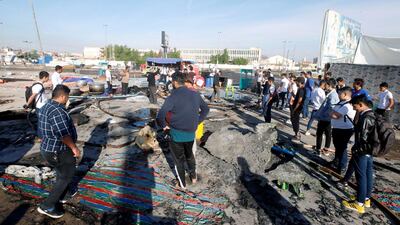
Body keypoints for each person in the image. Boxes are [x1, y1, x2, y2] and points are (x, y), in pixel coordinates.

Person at [156, 72, 209, 189]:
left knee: (178, 160)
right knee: (189, 156)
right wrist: (197, 121)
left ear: (175, 82)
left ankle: (182, 184)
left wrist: (164, 125)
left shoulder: (173, 96)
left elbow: (160, 115)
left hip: (176, 134)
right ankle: (193, 178)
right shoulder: (195, 94)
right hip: (190, 133)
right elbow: (205, 109)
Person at [37, 85, 80, 218]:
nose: (67, 100)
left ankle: (64, 194)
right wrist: (74, 148)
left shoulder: (46, 106)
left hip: (48, 148)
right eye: (67, 97)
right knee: (66, 175)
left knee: (62, 173)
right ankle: (47, 206)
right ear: (62, 96)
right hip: (58, 150)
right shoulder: (57, 111)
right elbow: (64, 135)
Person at [342, 95, 375, 214]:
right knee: (367, 174)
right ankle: (366, 199)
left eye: (355, 106)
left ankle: (359, 204)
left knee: (361, 176)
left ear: (361, 104)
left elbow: (363, 137)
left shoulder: (366, 117)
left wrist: (355, 149)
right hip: (369, 151)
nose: (355, 109)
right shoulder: (373, 114)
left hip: (362, 151)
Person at [330, 87, 356, 174]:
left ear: (345, 94)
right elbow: (334, 112)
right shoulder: (341, 103)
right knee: (337, 146)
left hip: (344, 130)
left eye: (339, 93)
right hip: (337, 128)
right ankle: (336, 162)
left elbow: (335, 115)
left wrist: (330, 113)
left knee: (342, 148)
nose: (338, 95)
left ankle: (342, 166)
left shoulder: (347, 105)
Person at [314, 78, 339, 156]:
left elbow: (331, 108)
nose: (325, 87)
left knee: (320, 133)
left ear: (329, 85)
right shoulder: (331, 93)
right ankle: (326, 150)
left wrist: (325, 115)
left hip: (325, 118)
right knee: (327, 134)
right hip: (326, 118)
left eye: (326, 85)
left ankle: (318, 150)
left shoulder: (333, 95)